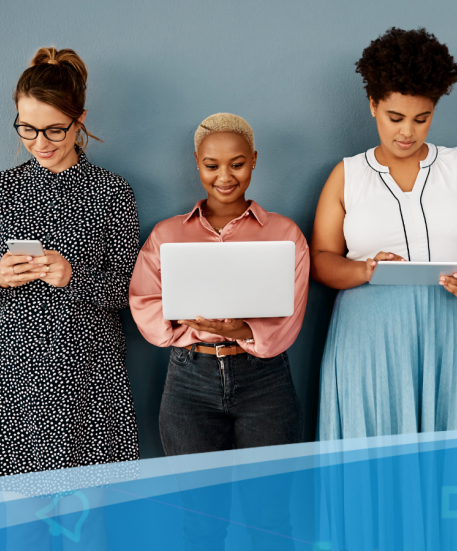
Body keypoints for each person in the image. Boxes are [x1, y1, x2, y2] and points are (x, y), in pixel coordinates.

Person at [311, 28, 457, 440]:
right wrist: (366, 269)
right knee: (377, 460)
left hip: (450, 328)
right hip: (370, 338)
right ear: (372, 105)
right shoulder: (346, 176)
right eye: (394, 117)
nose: (408, 132)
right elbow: (321, 261)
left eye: (422, 119)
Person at [128, 113, 308, 550]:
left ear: (254, 161)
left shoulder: (285, 234)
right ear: (196, 163)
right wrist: (189, 329)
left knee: (270, 522)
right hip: (189, 381)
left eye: (237, 164)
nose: (225, 176)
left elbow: (289, 319)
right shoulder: (167, 234)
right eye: (212, 165)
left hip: (264, 381)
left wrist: (242, 328)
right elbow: (145, 301)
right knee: (202, 524)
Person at [0, 47, 140, 479]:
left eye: (54, 130)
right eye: (27, 128)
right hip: (18, 371)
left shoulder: (113, 192)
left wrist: (73, 275)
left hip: (91, 372)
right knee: (24, 521)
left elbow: (130, 290)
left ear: (79, 119)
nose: (39, 143)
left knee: (93, 520)